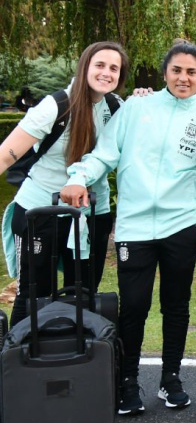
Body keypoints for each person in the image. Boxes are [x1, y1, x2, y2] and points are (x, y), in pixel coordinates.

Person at [62, 40, 196, 415]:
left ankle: (171, 379)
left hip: (182, 226)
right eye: (177, 70)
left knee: (176, 305)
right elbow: (105, 153)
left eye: (192, 72)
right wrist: (79, 177)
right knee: (134, 307)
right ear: (165, 72)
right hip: (135, 228)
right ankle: (128, 382)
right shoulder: (136, 108)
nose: (183, 78)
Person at [0, 42, 128, 325]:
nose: (106, 73)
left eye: (114, 68)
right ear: (84, 67)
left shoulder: (117, 108)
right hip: (39, 210)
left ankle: (77, 351)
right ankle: (18, 350)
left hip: (92, 212)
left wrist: (145, 97)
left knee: (83, 294)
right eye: (100, 65)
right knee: (33, 295)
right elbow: (6, 155)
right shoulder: (55, 106)